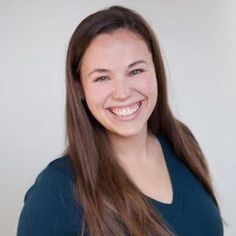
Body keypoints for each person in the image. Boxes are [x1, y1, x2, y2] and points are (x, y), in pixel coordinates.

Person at [17, 5, 224, 236]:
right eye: (102, 77)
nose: (122, 93)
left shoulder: (181, 142)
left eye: (135, 71)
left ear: (156, 70)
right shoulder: (55, 193)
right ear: (79, 89)